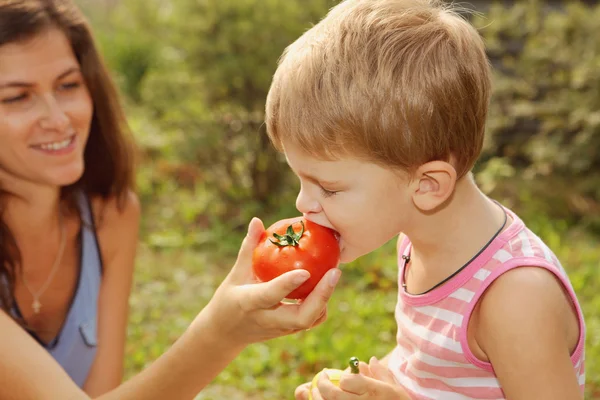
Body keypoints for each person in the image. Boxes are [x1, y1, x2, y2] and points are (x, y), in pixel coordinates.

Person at [0, 1, 341, 399]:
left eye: (68, 85)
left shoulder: (110, 214)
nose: (58, 118)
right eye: (16, 98)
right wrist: (221, 332)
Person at [263, 0, 586, 399]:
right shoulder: (416, 242)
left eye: (328, 188)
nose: (302, 204)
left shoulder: (514, 298)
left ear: (428, 186)